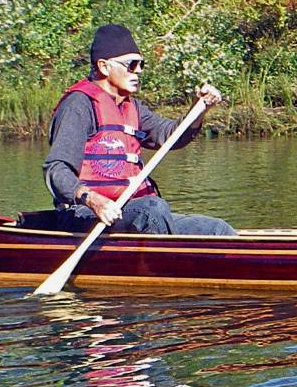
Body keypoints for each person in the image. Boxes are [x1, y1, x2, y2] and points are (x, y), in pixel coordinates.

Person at [44, 23, 235, 235]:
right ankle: (165, 265)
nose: (139, 71)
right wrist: (93, 200)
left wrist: (199, 109)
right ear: (104, 66)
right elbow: (56, 169)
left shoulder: (132, 107)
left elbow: (169, 135)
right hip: (86, 215)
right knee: (152, 210)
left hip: (134, 213)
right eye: (131, 65)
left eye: (141, 64)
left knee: (217, 229)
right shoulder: (78, 105)